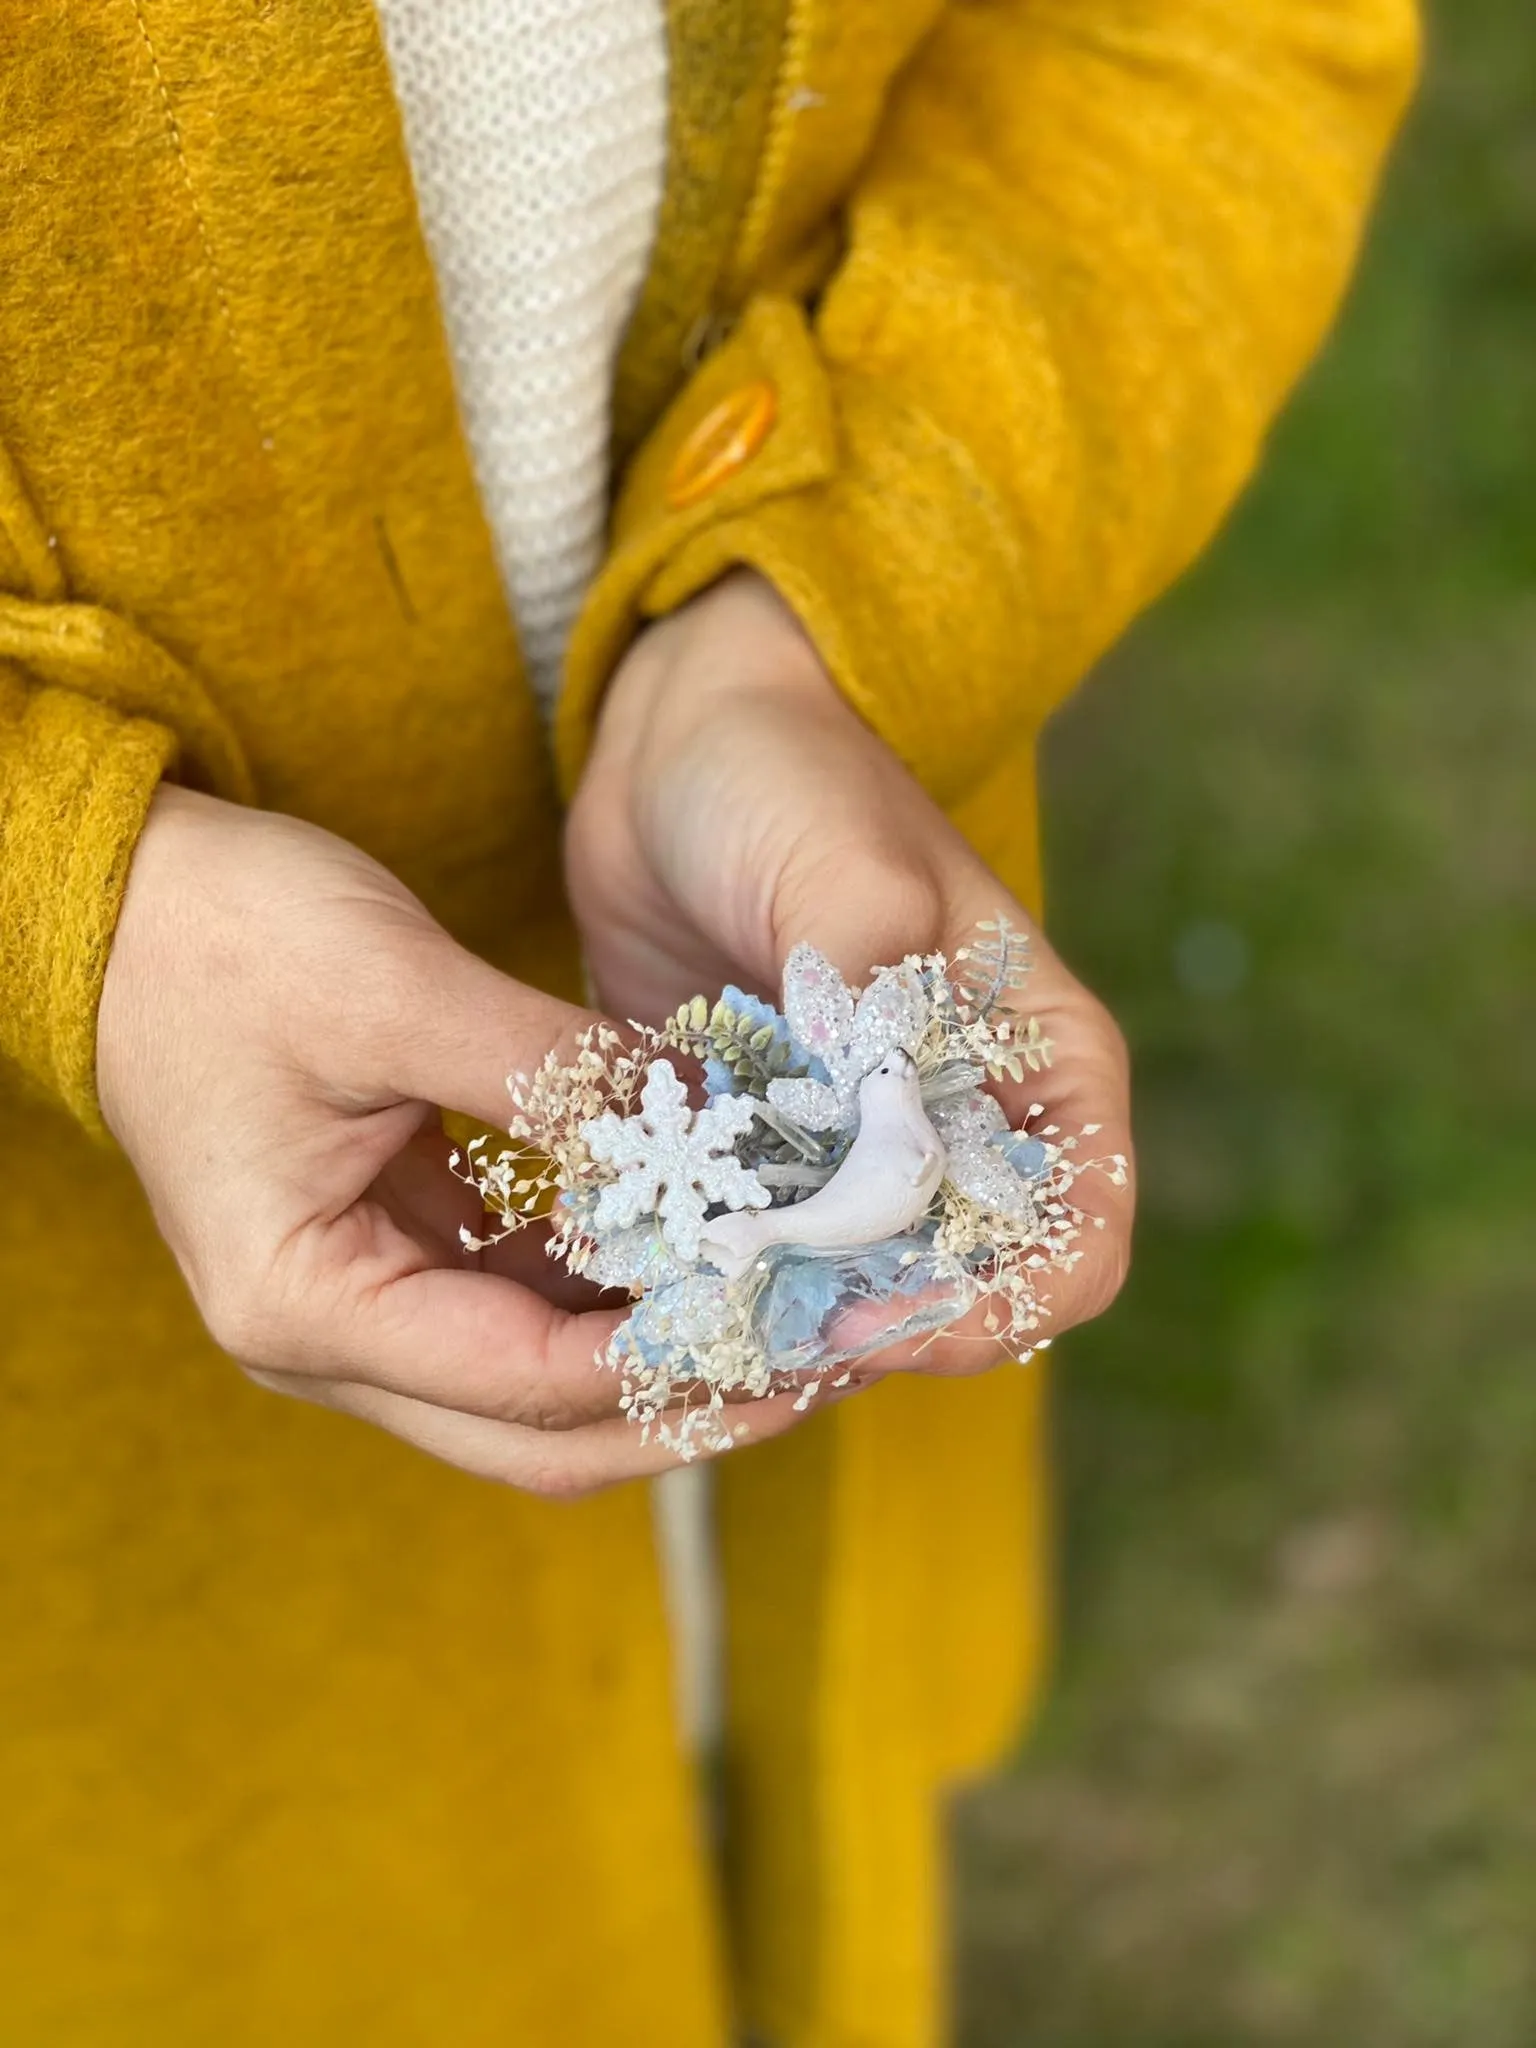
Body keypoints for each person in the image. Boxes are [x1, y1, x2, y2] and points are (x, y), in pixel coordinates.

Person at [0, 2, 1417, 2041]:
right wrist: (70, 897)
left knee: (751, 1770)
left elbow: (1214, 43)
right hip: (125, 1491)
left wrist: (818, 608)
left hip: (759, 924)